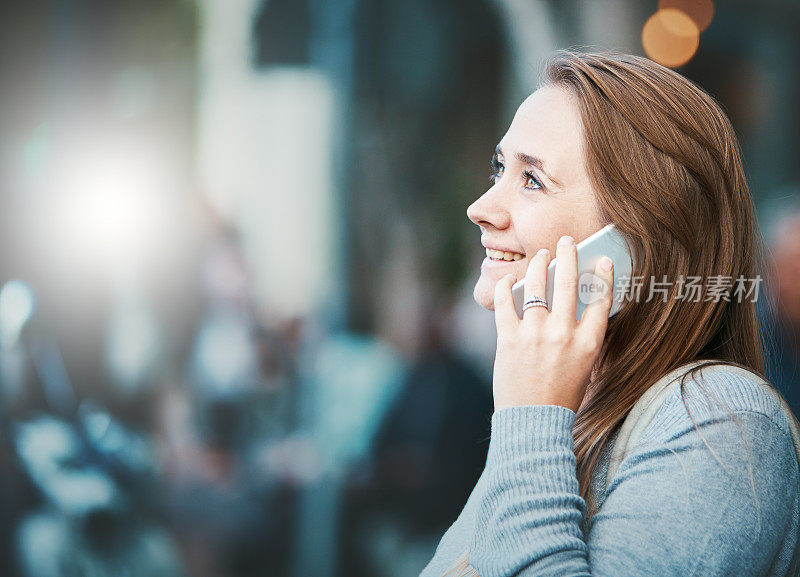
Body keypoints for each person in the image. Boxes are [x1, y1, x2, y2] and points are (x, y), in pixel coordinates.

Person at [419, 50, 800, 577]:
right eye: (499, 167)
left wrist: (530, 419)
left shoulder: (725, 422)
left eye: (532, 180)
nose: (480, 207)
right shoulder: (567, 417)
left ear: (630, 247)